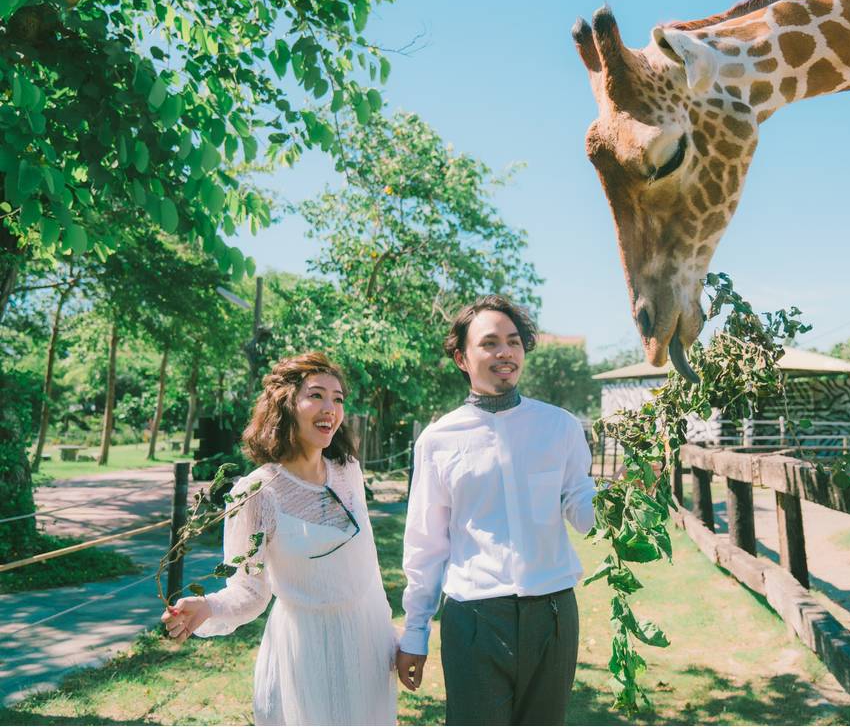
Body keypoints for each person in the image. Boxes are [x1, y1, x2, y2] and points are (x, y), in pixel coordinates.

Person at [161, 352, 398, 726]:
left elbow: (370, 567)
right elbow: (249, 591)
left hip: (365, 641)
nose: (330, 408)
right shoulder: (256, 492)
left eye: (337, 399)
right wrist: (208, 608)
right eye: (316, 395)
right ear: (285, 405)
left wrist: (394, 640)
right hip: (304, 653)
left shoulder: (348, 471)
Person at [396, 295, 596, 725]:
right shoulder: (437, 440)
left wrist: (626, 496)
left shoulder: (559, 426)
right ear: (461, 358)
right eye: (489, 343)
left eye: (514, 341)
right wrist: (415, 632)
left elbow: (582, 508)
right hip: (474, 618)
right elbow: (425, 545)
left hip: (554, 615)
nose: (505, 352)